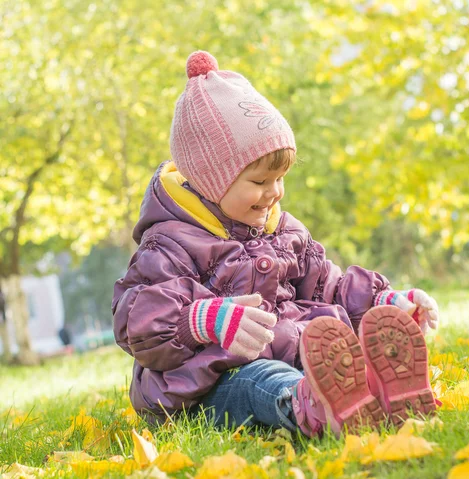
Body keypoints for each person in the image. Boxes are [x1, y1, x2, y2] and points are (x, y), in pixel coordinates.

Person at [112, 51, 440, 436]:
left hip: (292, 355)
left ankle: (375, 391)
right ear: (210, 180)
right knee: (260, 378)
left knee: (316, 354)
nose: (274, 192)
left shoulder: (281, 230)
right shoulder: (169, 243)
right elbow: (136, 320)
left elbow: (327, 284)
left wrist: (382, 300)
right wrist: (201, 320)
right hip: (202, 387)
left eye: (280, 178)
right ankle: (311, 406)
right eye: (259, 181)